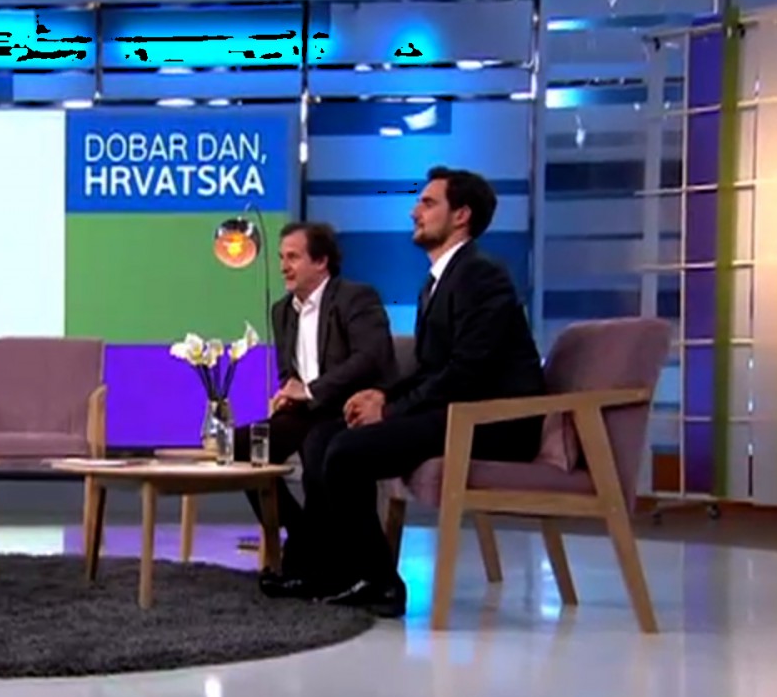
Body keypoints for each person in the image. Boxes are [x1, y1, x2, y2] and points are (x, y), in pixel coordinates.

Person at [276, 166, 547, 616]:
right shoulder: (437, 281)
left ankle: (380, 582)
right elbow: (430, 368)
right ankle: (331, 569)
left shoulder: (481, 276)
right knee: (323, 437)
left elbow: (466, 373)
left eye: (427, 203)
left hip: (493, 421)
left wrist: (391, 410)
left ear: (461, 215)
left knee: (346, 451)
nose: (414, 212)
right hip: (455, 410)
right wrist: (384, 397)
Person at [234, 221, 395, 583]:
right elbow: (289, 372)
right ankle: (303, 534)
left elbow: (369, 357)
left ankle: (318, 560)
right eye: (281, 258)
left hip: (349, 409)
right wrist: (288, 394)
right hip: (306, 411)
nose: (283, 267)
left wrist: (310, 390)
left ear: (321, 261)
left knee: (318, 446)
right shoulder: (282, 311)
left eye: (293, 257)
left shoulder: (355, 298)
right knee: (241, 448)